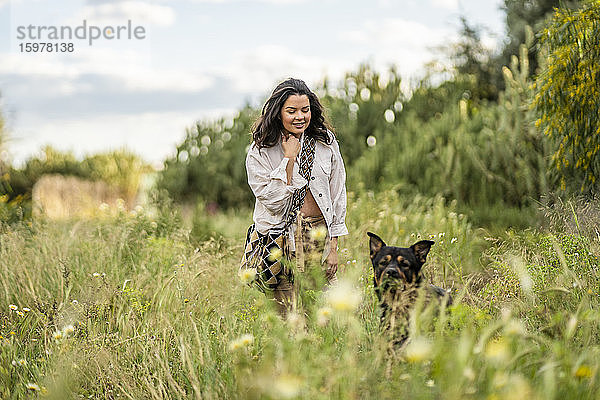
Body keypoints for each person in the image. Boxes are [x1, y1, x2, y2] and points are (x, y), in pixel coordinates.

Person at [245, 78, 348, 317]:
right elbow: (272, 202)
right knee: (285, 314)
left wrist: (333, 247)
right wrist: (288, 159)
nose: (300, 116)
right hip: (280, 238)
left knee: (318, 310)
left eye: (305, 109)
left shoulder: (326, 142)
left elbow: (337, 194)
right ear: (278, 112)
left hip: (318, 236)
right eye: (291, 111)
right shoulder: (260, 151)